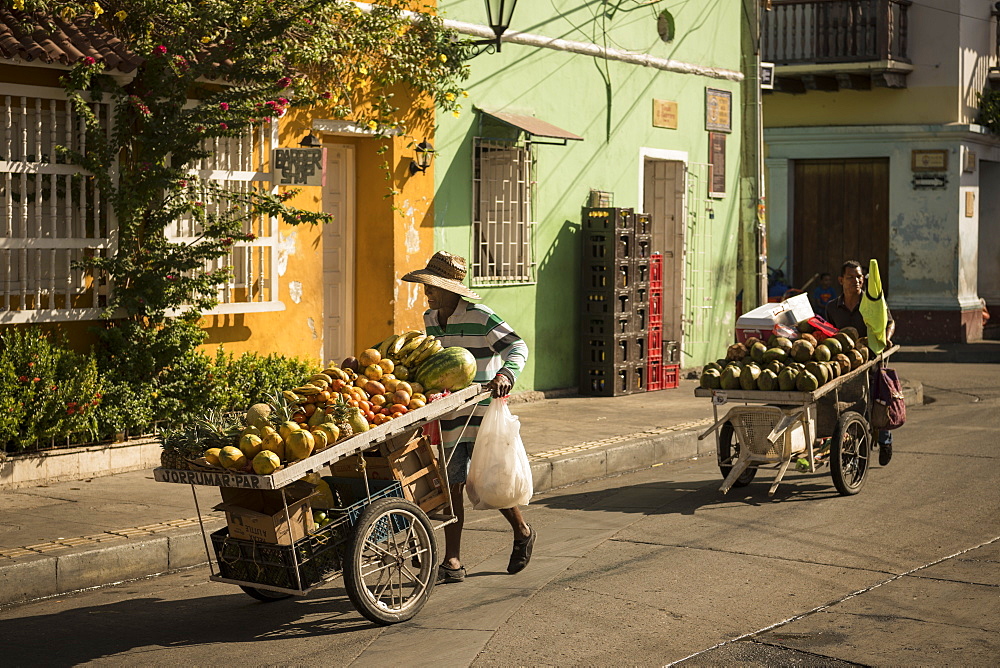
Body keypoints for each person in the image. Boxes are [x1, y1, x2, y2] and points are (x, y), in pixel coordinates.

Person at [402, 251, 533, 583]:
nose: (428, 292)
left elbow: (517, 347)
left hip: (480, 414)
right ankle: (454, 561)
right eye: (427, 286)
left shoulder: (480, 316)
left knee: (488, 482)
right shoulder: (431, 318)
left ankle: (522, 530)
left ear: (451, 289)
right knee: (452, 486)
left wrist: (505, 376)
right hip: (447, 416)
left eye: (434, 287)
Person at [825, 260, 896, 465]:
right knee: (848, 407)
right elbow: (828, 331)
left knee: (876, 404)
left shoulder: (872, 302)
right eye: (850, 277)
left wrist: (887, 336)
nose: (856, 281)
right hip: (844, 365)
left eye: (859, 277)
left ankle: (885, 440)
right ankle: (850, 449)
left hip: (871, 361)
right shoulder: (832, 307)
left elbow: (889, 321)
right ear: (841, 280)